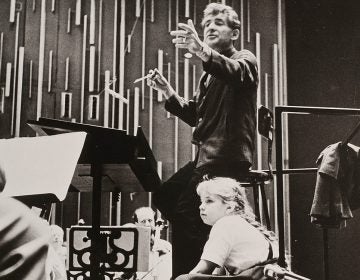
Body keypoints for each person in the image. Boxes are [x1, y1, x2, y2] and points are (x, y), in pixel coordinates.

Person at [147, 3, 259, 277]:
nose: (209, 27)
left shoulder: (245, 59)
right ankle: (205, 262)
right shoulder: (210, 73)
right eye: (207, 23)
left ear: (234, 33)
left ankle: (199, 274)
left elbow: (237, 72)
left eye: (218, 23)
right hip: (207, 156)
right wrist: (168, 92)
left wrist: (202, 51)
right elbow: (197, 115)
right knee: (166, 196)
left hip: (225, 157)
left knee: (187, 213)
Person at [180, 177, 278, 280]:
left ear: (229, 207)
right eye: (202, 201)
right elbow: (217, 273)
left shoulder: (226, 224)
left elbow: (201, 270)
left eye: (209, 201)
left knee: (185, 279)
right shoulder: (238, 223)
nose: (201, 206)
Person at [116, 207, 172, 280]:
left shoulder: (166, 246)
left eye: (150, 220)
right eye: (143, 221)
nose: (147, 224)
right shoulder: (129, 247)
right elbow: (120, 275)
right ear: (136, 224)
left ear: (154, 222)